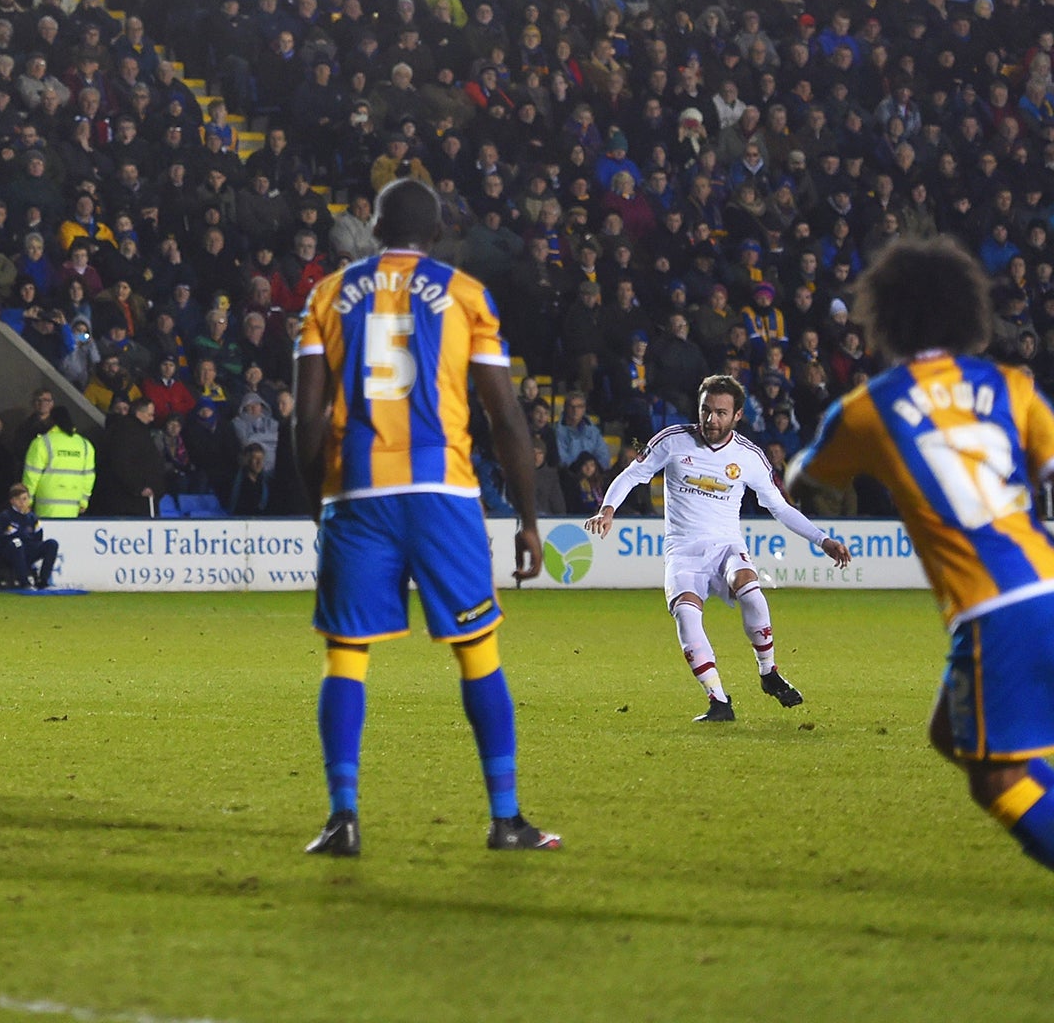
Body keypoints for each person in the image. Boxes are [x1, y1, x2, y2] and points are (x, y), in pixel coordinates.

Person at [294, 177, 558, 856]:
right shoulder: (466, 295)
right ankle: (505, 819)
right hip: (443, 490)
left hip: (358, 492)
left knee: (345, 655)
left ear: (375, 230)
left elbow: (306, 420)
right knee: (478, 652)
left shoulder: (326, 295)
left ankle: (342, 817)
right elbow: (505, 417)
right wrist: (528, 519)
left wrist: (318, 500)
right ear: (436, 233)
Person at [788, 237, 1054, 874]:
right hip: (1045, 580)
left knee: (994, 779)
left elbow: (804, 482)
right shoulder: (1009, 385)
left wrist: (829, 472)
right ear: (969, 314)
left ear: (887, 319)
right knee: (949, 733)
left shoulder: (868, 408)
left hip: (996, 609)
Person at [586, 375, 851, 722]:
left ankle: (768, 672)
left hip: (727, 545)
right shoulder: (673, 440)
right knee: (686, 615)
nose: (711, 421)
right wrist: (608, 509)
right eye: (706, 411)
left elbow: (781, 507)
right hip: (682, 551)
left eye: (721, 413)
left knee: (752, 593)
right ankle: (719, 701)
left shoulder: (750, 457)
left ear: (738, 415)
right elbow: (632, 474)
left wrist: (823, 540)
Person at [21, 404, 95, 519]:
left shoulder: (42, 443)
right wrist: (84, 501)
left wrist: (26, 501)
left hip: (46, 505)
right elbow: (88, 477)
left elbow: (31, 476)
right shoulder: (85, 445)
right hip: (73, 504)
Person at [0, 483, 58, 590]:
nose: (22, 502)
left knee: (52, 544)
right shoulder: (5, 517)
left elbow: (38, 539)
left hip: (27, 552)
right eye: (18, 499)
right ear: (12, 501)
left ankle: (43, 582)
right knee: (17, 543)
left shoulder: (32, 518)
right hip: (9, 553)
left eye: (25, 499)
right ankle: (24, 583)